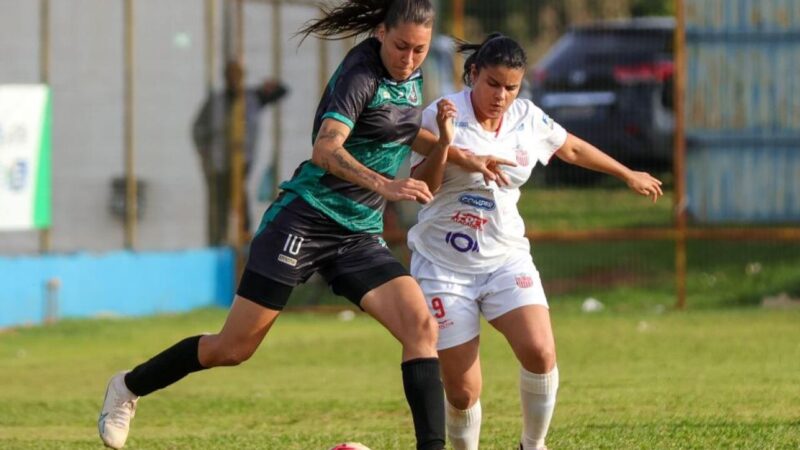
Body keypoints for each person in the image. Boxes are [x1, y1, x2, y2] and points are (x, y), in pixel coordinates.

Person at [98, 2, 447, 449]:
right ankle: (127, 387)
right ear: (381, 32)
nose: (410, 59)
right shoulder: (360, 75)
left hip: (357, 234)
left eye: (419, 50)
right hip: (304, 219)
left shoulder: (409, 76)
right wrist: (387, 185)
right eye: (401, 46)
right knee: (232, 349)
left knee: (421, 329)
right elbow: (326, 149)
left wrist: (464, 154)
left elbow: (402, 126)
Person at [407, 34, 663, 450]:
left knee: (541, 351)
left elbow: (571, 149)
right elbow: (422, 188)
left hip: (505, 258)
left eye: (511, 87)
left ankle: (533, 444)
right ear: (473, 74)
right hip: (443, 266)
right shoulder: (443, 113)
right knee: (463, 392)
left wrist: (627, 173)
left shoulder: (526, 116)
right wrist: (446, 143)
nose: (501, 96)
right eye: (493, 84)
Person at [192, 60, 288, 245]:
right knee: (220, 201)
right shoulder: (216, 101)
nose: (234, 79)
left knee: (238, 196)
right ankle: (218, 239)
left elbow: (281, 92)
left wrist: (273, 85)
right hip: (218, 163)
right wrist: (204, 153)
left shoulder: (252, 98)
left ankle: (243, 235)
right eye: (231, 75)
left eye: (237, 75)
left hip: (242, 160)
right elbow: (198, 129)